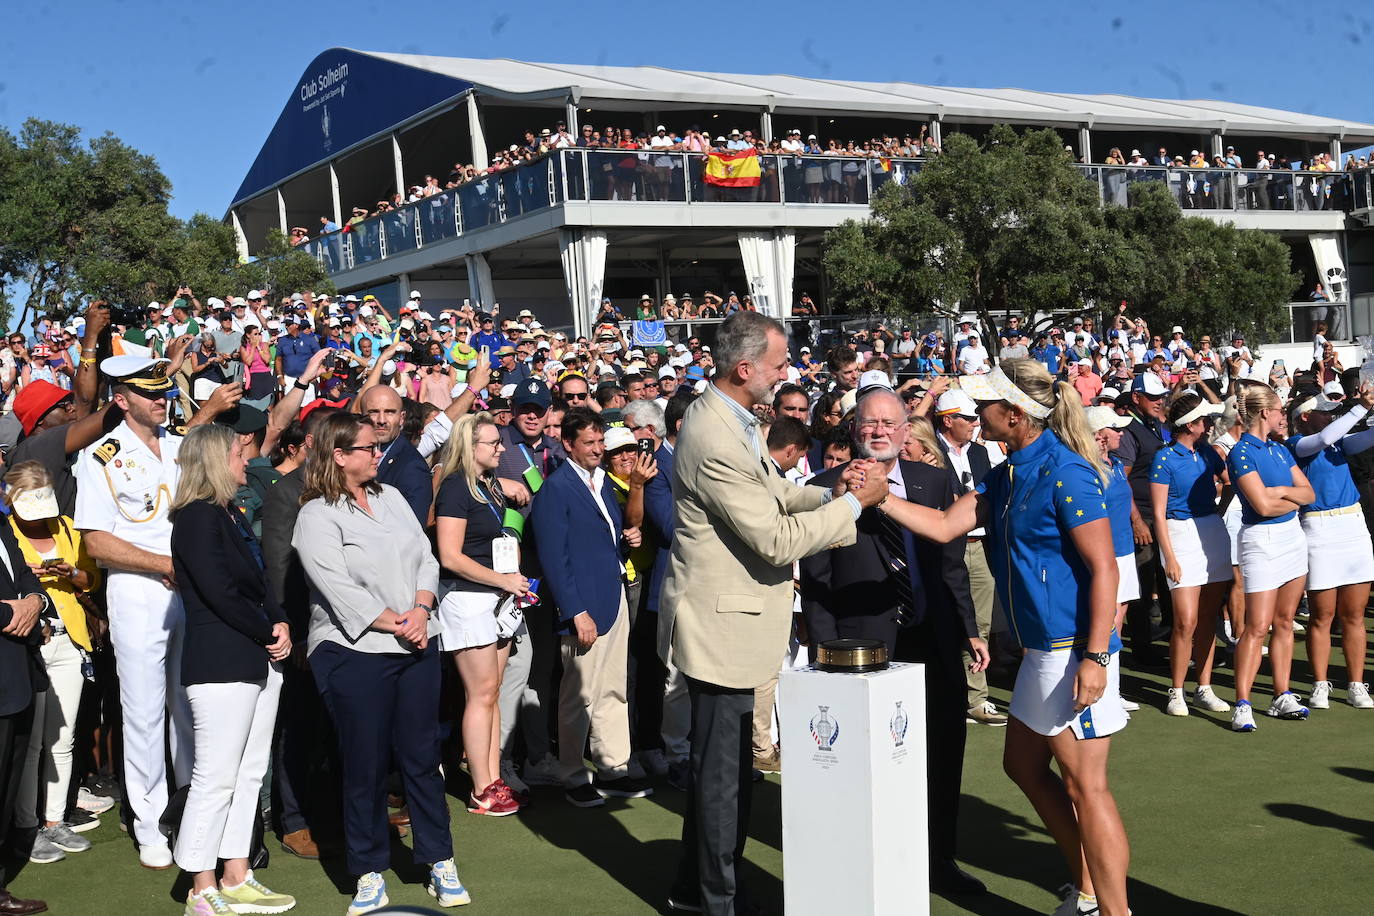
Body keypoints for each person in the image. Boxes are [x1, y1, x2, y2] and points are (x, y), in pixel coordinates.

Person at [879, 360, 1130, 916]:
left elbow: (1104, 568)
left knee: (1087, 790)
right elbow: (946, 525)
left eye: (985, 404)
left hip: (1070, 651)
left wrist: (1093, 657)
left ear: (1014, 414)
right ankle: (1088, 890)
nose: (975, 412)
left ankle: (1114, 910)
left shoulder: (1065, 471)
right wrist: (876, 497)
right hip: (1045, 651)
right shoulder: (1010, 470)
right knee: (1022, 766)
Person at [659, 311, 887, 914]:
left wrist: (834, 489)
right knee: (723, 780)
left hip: (735, 621)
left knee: (726, 774)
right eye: (780, 364)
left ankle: (695, 888)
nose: (788, 373)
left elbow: (777, 494)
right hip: (720, 626)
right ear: (745, 369)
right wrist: (853, 508)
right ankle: (715, 900)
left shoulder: (729, 419)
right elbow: (775, 539)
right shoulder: (714, 434)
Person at [800, 388, 989, 896]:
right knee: (872, 765)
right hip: (860, 650)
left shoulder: (934, 480)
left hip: (935, 638)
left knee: (943, 752)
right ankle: (871, 861)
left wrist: (968, 628)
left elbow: (951, 565)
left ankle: (939, 861)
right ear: (854, 430)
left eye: (889, 422)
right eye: (869, 423)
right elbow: (817, 583)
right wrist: (825, 654)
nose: (879, 430)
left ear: (907, 431)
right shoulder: (824, 489)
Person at [292, 413, 469, 913]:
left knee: (422, 759)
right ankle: (368, 871)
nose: (377, 452)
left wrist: (421, 609)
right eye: (368, 447)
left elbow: (427, 560)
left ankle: (439, 860)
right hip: (354, 654)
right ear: (338, 456)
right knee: (364, 765)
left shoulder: (392, 498)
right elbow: (337, 588)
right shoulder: (316, 516)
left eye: (376, 445)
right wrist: (398, 621)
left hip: (416, 643)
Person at [169, 424, 296, 916]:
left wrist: (280, 622)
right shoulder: (196, 518)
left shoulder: (229, 513)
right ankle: (201, 888)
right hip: (222, 662)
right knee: (216, 777)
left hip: (255, 659)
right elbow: (219, 592)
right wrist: (269, 631)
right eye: (238, 454)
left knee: (248, 773)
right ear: (214, 461)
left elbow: (261, 584)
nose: (246, 460)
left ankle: (236, 873)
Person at [72, 356, 192, 869]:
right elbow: (97, 542)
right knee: (143, 714)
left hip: (192, 593)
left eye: (163, 389)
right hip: (139, 593)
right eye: (148, 392)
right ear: (121, 399)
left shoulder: (184, 446)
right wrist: (164, 563)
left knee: (191, 708)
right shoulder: (100, 456)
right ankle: (150, 823)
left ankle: (193, 810)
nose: (160, 398)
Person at [530, 408, 653, 807]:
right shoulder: (556, 489)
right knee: (578, 693)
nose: (598, 450)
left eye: (601, 442)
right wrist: (575, 611)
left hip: (612, 595)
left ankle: (613, 766)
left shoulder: (601, 483)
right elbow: (553, 557)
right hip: (583, 606)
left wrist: (627, 538)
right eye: (589, 443)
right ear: (567, 444)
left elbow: (602, 538)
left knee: (613, 687)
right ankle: (570, 772)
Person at [434, 413, 529, 816]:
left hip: (495, 598)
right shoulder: (456, 487)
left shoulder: (487, 486)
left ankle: (492, 779)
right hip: (469, 599)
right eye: (493, 443)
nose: (501, 448)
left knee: (491, 694)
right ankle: (482, 787)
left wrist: (509, 580)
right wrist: (503, 580)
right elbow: (450, 556)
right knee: (481, 693)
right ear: (471, 447)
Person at [8, 462, 98, 867]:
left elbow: (91, 578)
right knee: (30, 744)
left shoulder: (64, 526)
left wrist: (72, 572)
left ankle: (55, 819)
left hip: (70, 641)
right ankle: (27, 827)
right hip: (29, 641)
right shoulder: (7, 530)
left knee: (62, 739)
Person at [1226, 385, 1316, 732]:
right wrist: (1289, 498)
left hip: (1292, 536)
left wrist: (1280, 493)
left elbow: (1309, 493)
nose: (1284, 416)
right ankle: (1243, 703)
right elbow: (1261, 507)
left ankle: (1282, 694)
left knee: (1285, 621)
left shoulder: (1280, 449)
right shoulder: (1241, 453)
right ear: (1265, 413)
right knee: (1257, 626)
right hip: (1261, 540)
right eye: (1280, 410)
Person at [1287, 385, 1374, 709]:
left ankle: (1355, 684)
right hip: (1319, 530)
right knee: (1322, 615)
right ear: (1305, 417)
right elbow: (1322, 439)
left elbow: (1368, 437)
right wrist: (1360, 408)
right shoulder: (1298, 444)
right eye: (1323, 411)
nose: (1330, 414)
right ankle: (1320, 684)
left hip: (1353, 526)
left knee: (1354, 614)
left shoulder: (1338, 441)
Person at [1148, 393, 1234, 718]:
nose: (1209, 424)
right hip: (1179, 535)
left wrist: (1216, 513)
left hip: (1211, 531)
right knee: (1185, 621)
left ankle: (1204, 687)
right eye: (1204, 420)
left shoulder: (1209, 452)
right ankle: (1176, 690)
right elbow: (1158, 514)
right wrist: (1168, 556)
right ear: (1191, 425)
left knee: (1208, 617)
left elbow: (1229, 484)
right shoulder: (1164, 458)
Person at [932, 388, 1009, 726]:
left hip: (980, 545)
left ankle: (976, 697)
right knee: (947, 618)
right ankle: (950, 691)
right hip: (944, 546)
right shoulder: (928, 451)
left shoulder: (979, 453)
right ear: (948, 420)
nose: (976, 423)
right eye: (968, 418)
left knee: (980, 621)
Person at [0, 519, 51, 916]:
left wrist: (35, 602)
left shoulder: (1, 523)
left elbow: (25, 578)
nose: (2, 464)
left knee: (6, 788)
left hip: (16, 678)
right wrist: (9, 612)